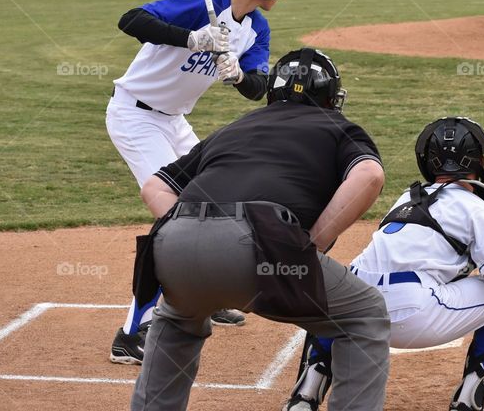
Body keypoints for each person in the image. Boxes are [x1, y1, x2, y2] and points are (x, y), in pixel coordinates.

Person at [131, 47, 390, 411]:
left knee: (175, 322)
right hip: (263, 245)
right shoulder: (339, 128)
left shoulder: (234, 128)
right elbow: (369, 175)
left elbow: (153, 188)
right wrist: (314, 242)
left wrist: (186, 223)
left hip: (172, 246)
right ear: (331, 96)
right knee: (364, 316)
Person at [284, 116, 484, 411]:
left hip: (356, 309)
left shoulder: (405, 198)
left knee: (336, 293)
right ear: (481, 161)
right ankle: (468, 405)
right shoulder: (479, 210)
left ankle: (303, 399)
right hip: (412, 315)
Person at [108, 0, 299, 365]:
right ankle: (132, 331)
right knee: (176, 217)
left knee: (216, 204)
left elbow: (258, 88)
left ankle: (206, 294)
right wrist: (191, 38)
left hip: (174, 121)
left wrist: (237, 76)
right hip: (135, 116)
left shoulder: (255, 29)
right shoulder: (202, 3)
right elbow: (131, 19)